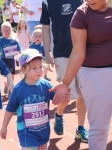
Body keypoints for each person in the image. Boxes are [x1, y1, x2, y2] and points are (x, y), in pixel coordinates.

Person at [49, 0, 112, 150]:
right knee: (99, 127)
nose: (90, 0)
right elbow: (77, 52)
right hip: (95, 74)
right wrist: (65, 83)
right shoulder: (81, 14)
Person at [0, 49, 70, 149]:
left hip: (43, 133)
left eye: (41, 67)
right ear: (24, 70)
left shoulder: (46, 85)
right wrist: (4, 126)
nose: (39, 70)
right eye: (34, 68)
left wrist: (65, 98)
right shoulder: (19, 89)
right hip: (27, 135)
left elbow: (59, 100)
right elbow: (10, 109)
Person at [40, 0, 88, 143]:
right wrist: (47, 52)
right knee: (66, 94)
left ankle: (80, 128)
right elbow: (45, 28)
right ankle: (59, 114)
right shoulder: (47, 2)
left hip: (81, 51)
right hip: (60, 52)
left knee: (83, 94)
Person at [0, 22, 21, 97]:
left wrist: (22, 53)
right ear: (2, 31)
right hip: (4, 60)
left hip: (11, 60)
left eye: (9, 30)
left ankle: (7, 85)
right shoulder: (0, 40)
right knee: (8, 74)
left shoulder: (14, 40)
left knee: (12, 75)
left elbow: (19, 49)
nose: (8, 32)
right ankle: (10, 92)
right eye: (6, 30)